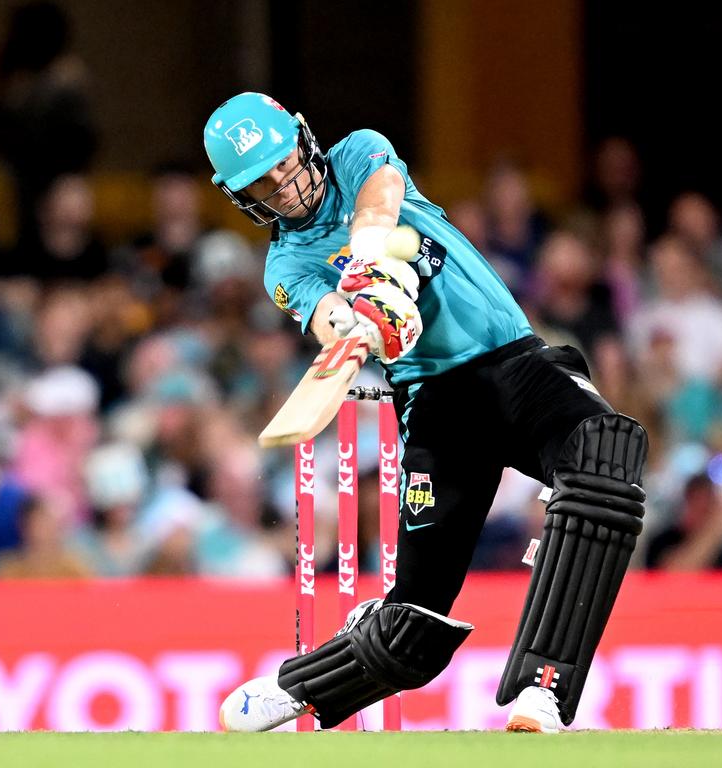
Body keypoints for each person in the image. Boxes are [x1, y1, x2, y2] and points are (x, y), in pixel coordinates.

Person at [203, 93, 649, 733]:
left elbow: (381, 197)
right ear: (242, 197)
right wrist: (358, 319)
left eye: (283, 163)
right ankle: (294, 686)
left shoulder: (357, 152)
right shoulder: (286, 264)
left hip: (514, 363)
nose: (284, 185)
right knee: (412, 627)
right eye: (261, 183)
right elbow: (327, 318)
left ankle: (540, 690)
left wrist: (367, 262)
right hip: (436, 404)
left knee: (609, 458)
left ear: (303, 141)